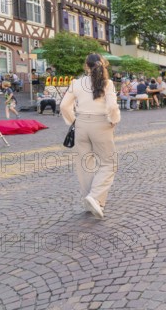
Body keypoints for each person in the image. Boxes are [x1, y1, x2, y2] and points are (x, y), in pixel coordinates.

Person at [60, 53, 121, 219]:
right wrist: (113, 120)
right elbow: (112, 107)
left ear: (86, 66)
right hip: (101, 124)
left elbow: (64, 106)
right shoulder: (107, 83)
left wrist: (74, 121)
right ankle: (94, 197)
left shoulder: (76, 83)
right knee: (109, 163)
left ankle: (91, 201)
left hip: (81, 124)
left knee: (85, 164)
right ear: (103, 65)